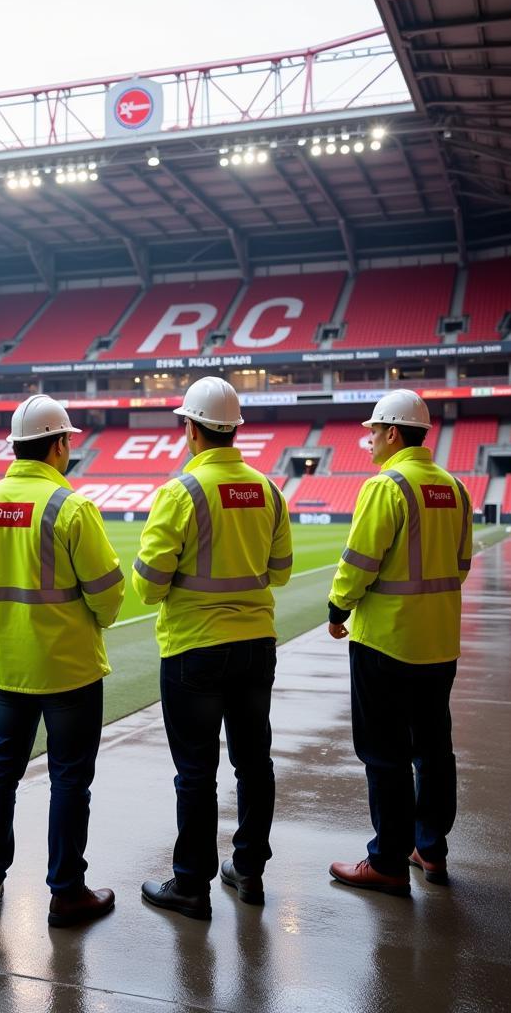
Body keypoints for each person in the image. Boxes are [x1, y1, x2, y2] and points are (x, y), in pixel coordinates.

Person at [0, 394, 124, 928]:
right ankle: (66, 891)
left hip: (8, 666)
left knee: (0, 773)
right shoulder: (71, 507)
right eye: (68, 441)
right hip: (70, 669)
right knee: (70, 780)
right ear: (58, 445)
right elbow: (108, 593)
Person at [132, 377, 292, 920]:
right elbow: (282, 572)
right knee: (254, 763)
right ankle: (248, 871)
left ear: (191, 429)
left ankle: (191, 886)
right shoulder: (268, 489)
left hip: (194, 649)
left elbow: (149, 585)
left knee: (196, 772)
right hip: (256, 645)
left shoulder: (181, 492)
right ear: (235, 431)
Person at [326, 389, 473, 896]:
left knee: (384, 752)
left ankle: (386, 861)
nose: (368, 440)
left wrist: (337, 607)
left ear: (392, 432)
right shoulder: (454, 487)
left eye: (372, 431)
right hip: (439, 643)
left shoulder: (385, 487)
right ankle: (430, 849)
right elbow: (461, 565)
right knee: (434, 750)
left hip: (385, 643)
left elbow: (359, 562)